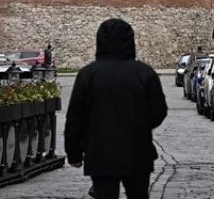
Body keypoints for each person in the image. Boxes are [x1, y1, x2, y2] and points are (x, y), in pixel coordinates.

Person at [66, 18, 167, 199]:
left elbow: (75, 116)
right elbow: (159, 111)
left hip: (100, 152)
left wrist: (74, 152)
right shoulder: (144, 73)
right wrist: (141, 125)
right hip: (137, 150)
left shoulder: (88, 75)